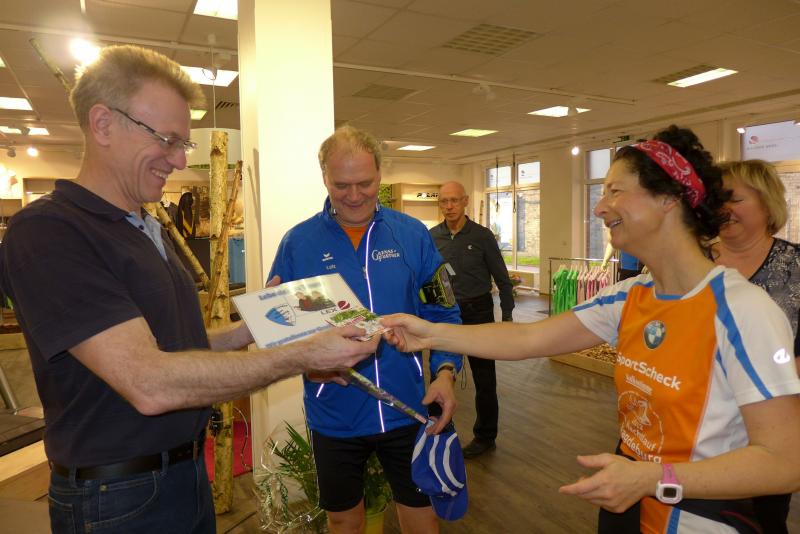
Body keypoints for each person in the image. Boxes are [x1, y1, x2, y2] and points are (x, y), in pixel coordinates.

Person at [0, 45, 377, 534]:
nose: (179, 160)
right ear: (103, 124)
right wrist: (301, 356)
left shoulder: (144, 227)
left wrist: (249, 330)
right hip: (117, 497)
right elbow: (149, 381)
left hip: (182, 474)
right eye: (167, 140)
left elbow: (171, 347)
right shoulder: (50, 232)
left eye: (184, 144)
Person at [382, 125, 800, 533]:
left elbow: (784, 464)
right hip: (627, 499)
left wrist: (653, 478)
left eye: (615, 191)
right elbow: (530, 337)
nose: (600, 208)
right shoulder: (630, 297)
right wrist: (430, 333)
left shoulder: (743, 311)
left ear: (668, 198)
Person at [269, 125, 463, 534]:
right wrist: (308, 362)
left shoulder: (412, 235)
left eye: (365, 183)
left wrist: (446, 372)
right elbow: (283, 330)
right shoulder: (297, 243)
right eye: (342, 185)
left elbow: (444, 311)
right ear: (324, 177)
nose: (355, 195)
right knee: (343, 521)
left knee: (422, 516)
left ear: (380, 175)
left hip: (407, 408)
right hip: (334, 413)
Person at [710, 158, 800, 533]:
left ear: (767, 203)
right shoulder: (692, 261)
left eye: (735, 199)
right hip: (695, 420)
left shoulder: (795, 266)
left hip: (769, 425)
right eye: (718, 199)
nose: (724, 209)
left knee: (762, 520)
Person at [431, 181, 514, 458]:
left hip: (479, 312)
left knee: (484, 379)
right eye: (444, 201)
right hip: (445, 314)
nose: (449, 206)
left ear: (465, 201)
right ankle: (437, 430)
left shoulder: (482, 236)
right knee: (440, 374)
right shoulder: (432, 237)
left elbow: (501, 277)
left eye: (454, 200)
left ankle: (485, 436)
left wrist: (507, 316)